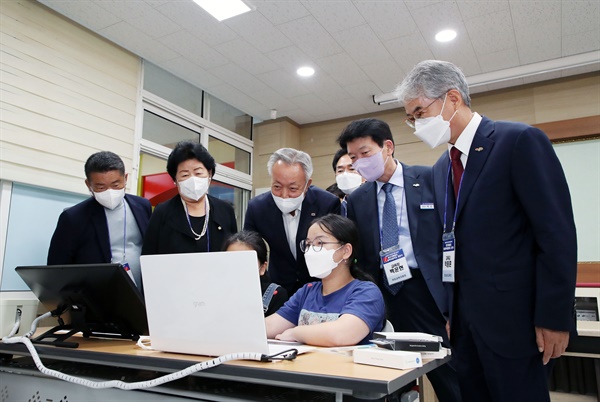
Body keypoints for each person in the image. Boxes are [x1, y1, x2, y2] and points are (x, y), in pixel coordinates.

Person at [396, 60, 577, 402]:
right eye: (411, 117)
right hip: (466, 328)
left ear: (452, 99)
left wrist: (555, 318)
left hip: (518, 325)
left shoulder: (518, 142)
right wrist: (452, 313)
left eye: (420, 112)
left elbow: (556, 234)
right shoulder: (440, 169)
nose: (416, 124)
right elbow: (449, 244)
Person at [338, 118, 461, 402]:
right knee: (385, 374)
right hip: (382, 292)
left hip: (426, 291)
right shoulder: (358, 198)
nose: (359, 163)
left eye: (365, 153)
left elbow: (452, 238)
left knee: (449, 373)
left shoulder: (430, 178)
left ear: (388, 147)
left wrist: (453, 303)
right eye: (353, 157)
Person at [265, 214, 385, 346]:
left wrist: (295, 333)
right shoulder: (307, 291)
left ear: (346, 251)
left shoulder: (366, 292)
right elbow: (269, 326)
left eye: (320, 243)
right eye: (308, 244)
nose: (311, 250)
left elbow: (341, 335)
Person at [47, 151, 152, 289]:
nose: (109, 192)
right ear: (88, 184)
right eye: (100, 187)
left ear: (125, 178)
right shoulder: (74, 218)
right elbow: (56, 268)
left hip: (141, 292)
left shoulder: (142, 206)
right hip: (96, 296)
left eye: (116, 185)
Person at [243, 148, 340, 295]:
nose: (284, 195)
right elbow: (249, 251)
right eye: (277, 186)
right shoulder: (257, 208)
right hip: (278, 288)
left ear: (307, 184)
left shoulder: (327, 203)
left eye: (293, 188)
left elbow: (337, 249)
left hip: (319, 286)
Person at [142, 141, 237, 255]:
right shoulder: (162, 212)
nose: (193, 180)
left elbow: (233, 253)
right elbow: (149, 255)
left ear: (209, 174)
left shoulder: (225, 210)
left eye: (198, 173)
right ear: (175, 180)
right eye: (185, 175)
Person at [223, 230, 289, 317]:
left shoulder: (275, 295)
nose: (237, 267)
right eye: (231, 260)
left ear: (262, 268)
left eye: (244, 262)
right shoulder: (215, 293)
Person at [332, 148, 364, 216]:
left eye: (352, 169)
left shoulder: (375, 202)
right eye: (340, 171)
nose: (345, 174)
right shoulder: (333, 208)